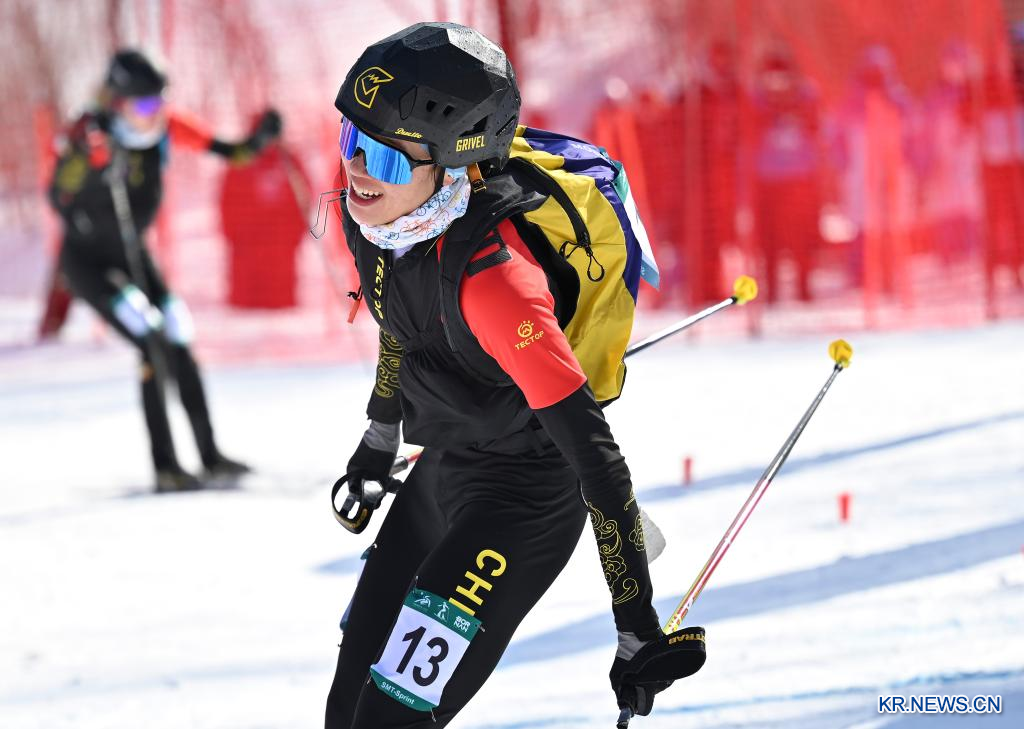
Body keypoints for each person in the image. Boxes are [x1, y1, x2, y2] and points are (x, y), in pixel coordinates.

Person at [324, 22, 688, 728]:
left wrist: (636, 624)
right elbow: (401, 325)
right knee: (346, 714)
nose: (358, 171)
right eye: (351, 140)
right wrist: (378, 438)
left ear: (451, 167)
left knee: (387, 722)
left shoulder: (497, 286)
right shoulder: (378, 221)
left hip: (523, 502)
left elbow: (597, 459)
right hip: (444, 469)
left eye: (388, 158)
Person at [47, 49, 281, 491]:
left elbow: (229, 151)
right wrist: (95, 171)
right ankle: (166, 467)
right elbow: (58, 197)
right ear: (118, 102)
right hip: (89, 264)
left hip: (134, 256)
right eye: (142, 106)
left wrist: (260, 140)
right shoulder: (91, 133)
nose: (152, 113)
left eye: (159, 101)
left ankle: (210, 457)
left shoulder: (165, 128)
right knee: (150, 336)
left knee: (178, 334)